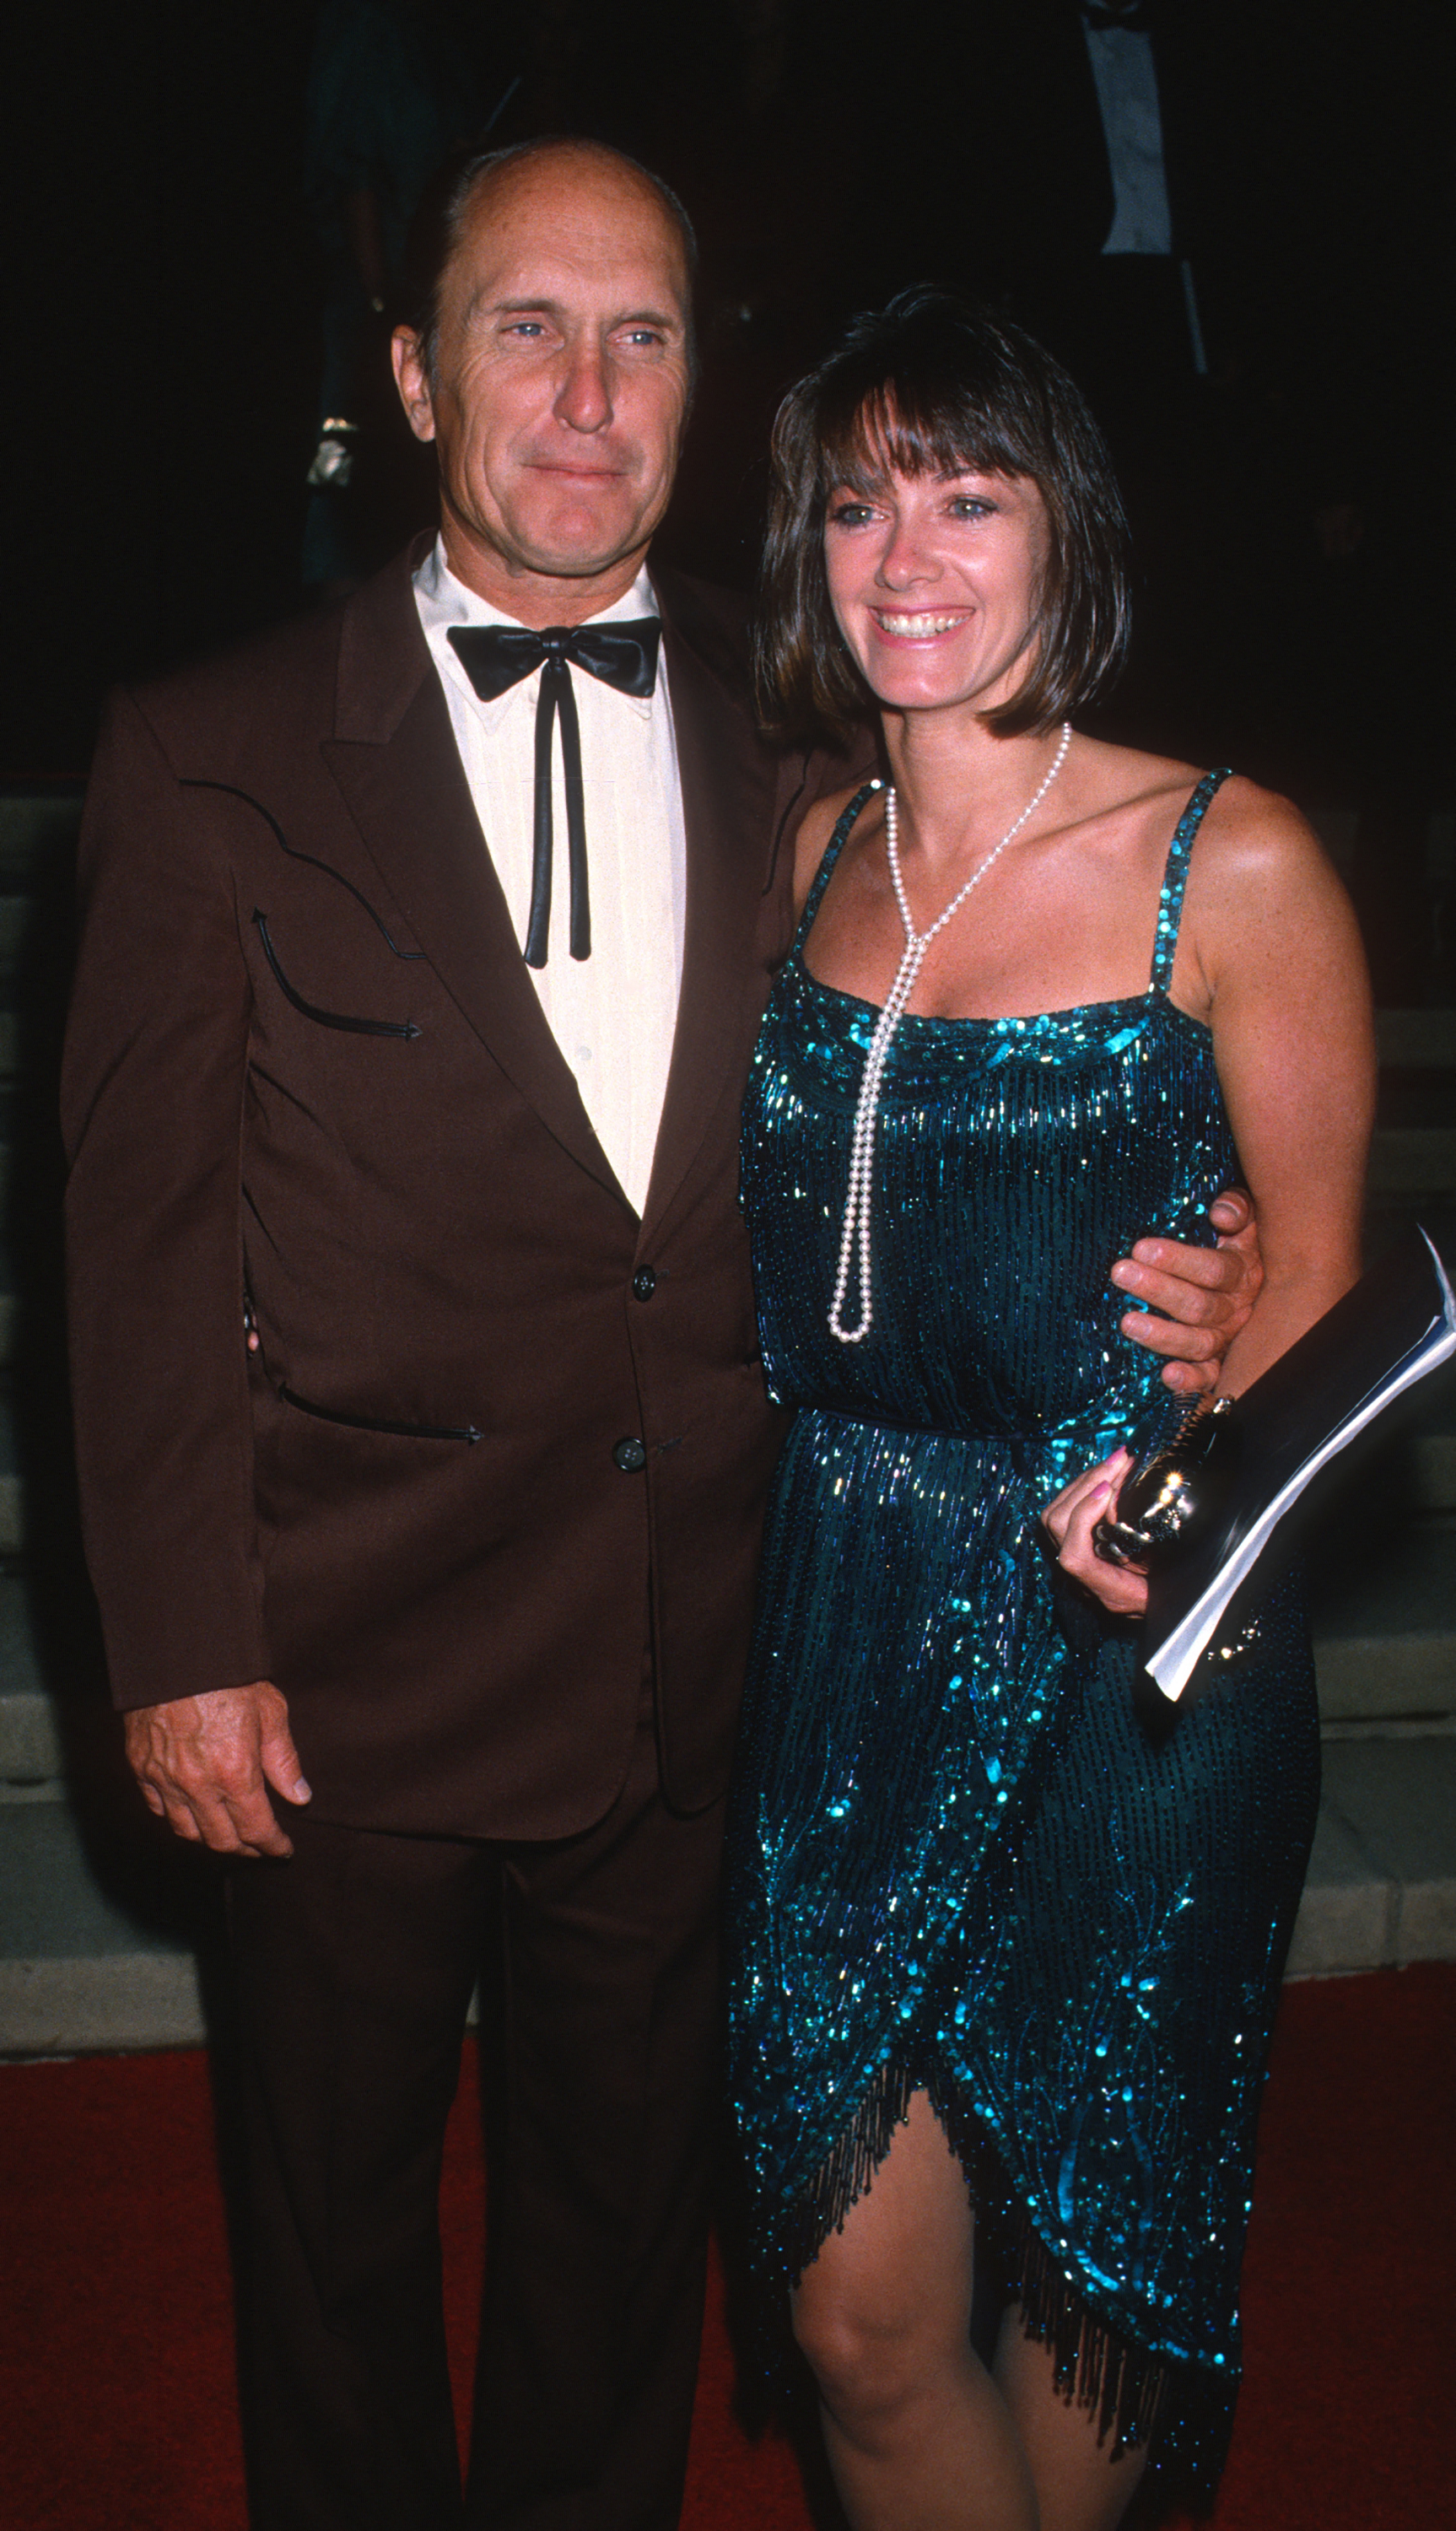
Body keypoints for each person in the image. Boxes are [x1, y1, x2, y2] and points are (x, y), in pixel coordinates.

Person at [61, 146, 1262, 2531]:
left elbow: (985, 1062)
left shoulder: (815, 723)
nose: (588, 397)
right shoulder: (206, 750)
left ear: (704, 388)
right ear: (417, 378)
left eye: (644, 338)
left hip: (703, 1657)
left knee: (622, 2251)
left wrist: (1193, 1266)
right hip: (342, 1668)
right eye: (526, 329)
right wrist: (184, 1643)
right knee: (331, 2243)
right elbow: (140, 1244)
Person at [725, 288, 1374, 2531]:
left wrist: (1181, 1496)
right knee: (855, 2319)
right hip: (843, 1623)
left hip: (1136, 1663)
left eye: (968, 497)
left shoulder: (1233, 858)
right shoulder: (814, 849)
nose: (907, 554)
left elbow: (1322, 1285)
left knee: (1089, 2286)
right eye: (857, 504)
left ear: (1065, 530)